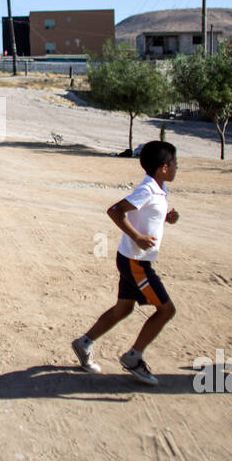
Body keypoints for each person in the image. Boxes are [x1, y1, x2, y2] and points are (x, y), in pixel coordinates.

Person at [72, 141, 179, 385]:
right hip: (136, 262)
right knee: (166, 310)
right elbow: (115, 210)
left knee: (124, 308)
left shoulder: (159, 189)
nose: (176, 168)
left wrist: (168, 217)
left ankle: (83, 343)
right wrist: (137, 237)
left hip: (131, 259)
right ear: (163, 168)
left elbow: (148, 214)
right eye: (174, 164)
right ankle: (133, 357)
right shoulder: (148, 190)